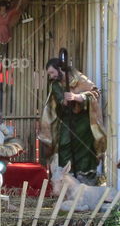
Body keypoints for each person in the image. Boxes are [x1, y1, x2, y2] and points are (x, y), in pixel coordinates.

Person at [38, 51, 106, 184]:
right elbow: (59, 99)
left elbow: (95, 92)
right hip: (66, 119)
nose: (51, 76)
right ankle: (67, 176)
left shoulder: (78, 78)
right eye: (49, 74)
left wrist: (78, 97)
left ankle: (85, 176)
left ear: (60, 69)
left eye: (52, 72)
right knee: (64, 145)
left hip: (83, 120)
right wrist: (64, 100)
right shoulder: (55, 84)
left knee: (84, 147)